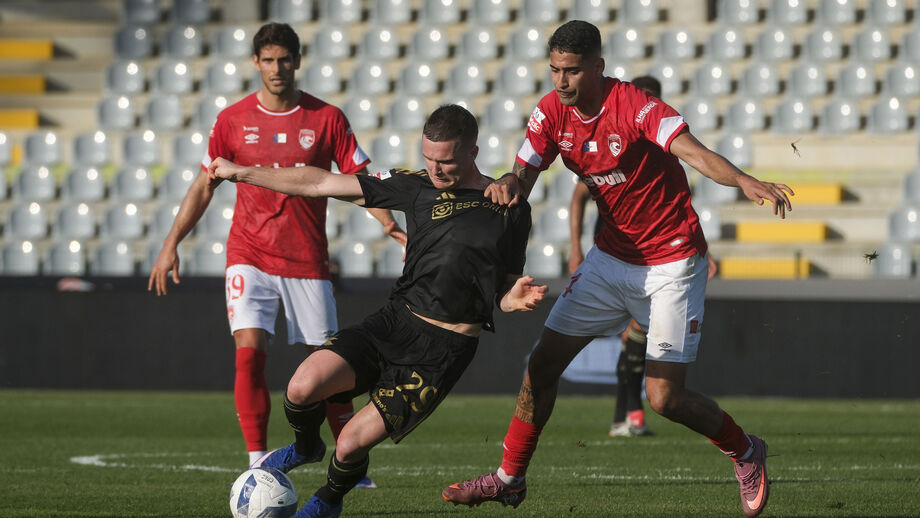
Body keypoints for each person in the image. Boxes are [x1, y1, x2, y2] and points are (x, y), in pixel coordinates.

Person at [442, 20, 792, 518]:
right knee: (541, 365)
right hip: (610, 259)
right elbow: (523, 171)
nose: (561, 82)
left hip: (672, 261)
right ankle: (509, 479)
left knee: (664, 399)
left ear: (598, 68)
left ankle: (744, 450)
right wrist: (507, 183)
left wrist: (743, 180)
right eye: (555, 70)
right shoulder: (548, 113)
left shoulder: (635, 106)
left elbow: (691, 151)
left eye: (572, 71)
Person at [209, 104, 548, 518]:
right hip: (393, 322)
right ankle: (306, 447)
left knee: (350, 443)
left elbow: (508, 279)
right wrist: (242, 171)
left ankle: (327, 502)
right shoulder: (416, 186)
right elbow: (319, 183)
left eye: (445, 161)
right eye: (428, 158)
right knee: (301, 388)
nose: (436, 170)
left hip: (442, 349)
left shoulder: (509, 207)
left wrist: (510, 297)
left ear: (473, 151)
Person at [147, 22, 406, 486]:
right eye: (268, 60)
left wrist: (388, 223)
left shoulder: (327, 118)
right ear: (255, 64)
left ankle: (348, 456)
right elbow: (204, 185)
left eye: (284, 59)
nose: (277, 68)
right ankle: (256, 459)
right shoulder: (231, 120)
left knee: (329, 365)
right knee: (249, 354)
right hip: (249, 252)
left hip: (307, 259)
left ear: (297, 61)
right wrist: (170, 245)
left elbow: (360, 176)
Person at [567, 74, 717, 438]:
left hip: (659, 249)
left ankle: (630, 414)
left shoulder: (663, 149)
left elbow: (677, 207)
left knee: (638, 336)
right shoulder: (611, 138)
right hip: (615, 245)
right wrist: (574, 248)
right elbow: (579, 195)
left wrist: (704, 250)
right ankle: (628, 413)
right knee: (630, 335)